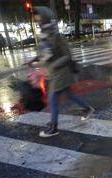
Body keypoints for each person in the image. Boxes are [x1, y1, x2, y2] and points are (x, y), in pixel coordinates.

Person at [31, 6, 94, 138]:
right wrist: (34, 59)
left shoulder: (56, 35)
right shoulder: (44, 34)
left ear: (44, 17)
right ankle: (87, 108)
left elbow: (67, 55)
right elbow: (45, 52)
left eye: (38, 15)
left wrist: (54, 65)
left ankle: (54, 127)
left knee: (53, 98)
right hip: (53, 73)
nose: (36, 18)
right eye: (35, 15)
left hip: (61, 72)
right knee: (69, 94)